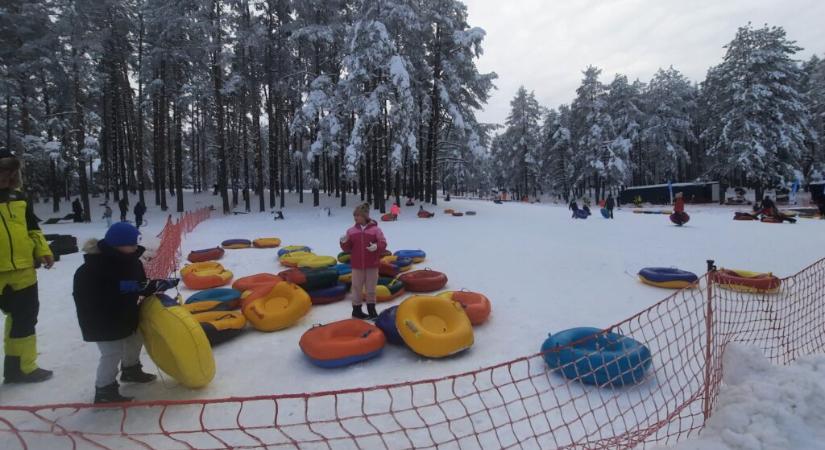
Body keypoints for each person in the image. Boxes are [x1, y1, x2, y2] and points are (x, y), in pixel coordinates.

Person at [72, 222, 176, 403]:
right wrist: (138, 287)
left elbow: (138, 284)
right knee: (112, 353)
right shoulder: (93, 268)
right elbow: (112, 288)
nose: (136, 248)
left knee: (135, 339)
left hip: (124, 312)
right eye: (132, 244)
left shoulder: (132, 260)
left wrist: (154, 285)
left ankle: (131, 370)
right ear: (117, 244)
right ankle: (104, 389)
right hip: (101, 318)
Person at [0, 148, 55, 383]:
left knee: (23, 320)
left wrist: (43, 250)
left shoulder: (18, 196)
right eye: (1, 170)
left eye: (9, 170)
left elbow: (32, 228)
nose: (5, 175)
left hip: (22, 270)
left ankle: (21, 368)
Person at [340, 203, 387, 320]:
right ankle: (356, 311)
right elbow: (347, 248)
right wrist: (343, 242)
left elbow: (383, 243)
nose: (355, 218)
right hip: (357, 265)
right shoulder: (351, 231)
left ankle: (372, 310)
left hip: (372, 264)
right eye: (354, 215)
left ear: (365, 216)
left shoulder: (376, 230)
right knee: (356, 288)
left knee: (371, 288)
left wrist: (377, 246)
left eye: (358, 215)